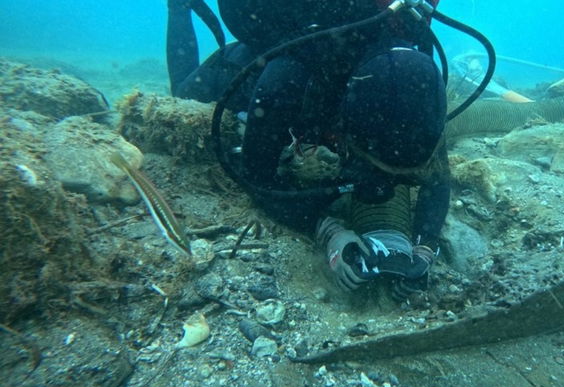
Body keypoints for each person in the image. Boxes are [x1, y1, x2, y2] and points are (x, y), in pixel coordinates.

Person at [166, 0, 450, 300]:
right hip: (267, 60)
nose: (386, 188)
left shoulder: (413, 88)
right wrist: (326, 230)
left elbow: (438, 174)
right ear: (345, 123)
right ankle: (178, 7)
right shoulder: (285, 84)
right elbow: (257, 179)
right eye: (371, 166)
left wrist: (426, 246)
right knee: (182, 95)